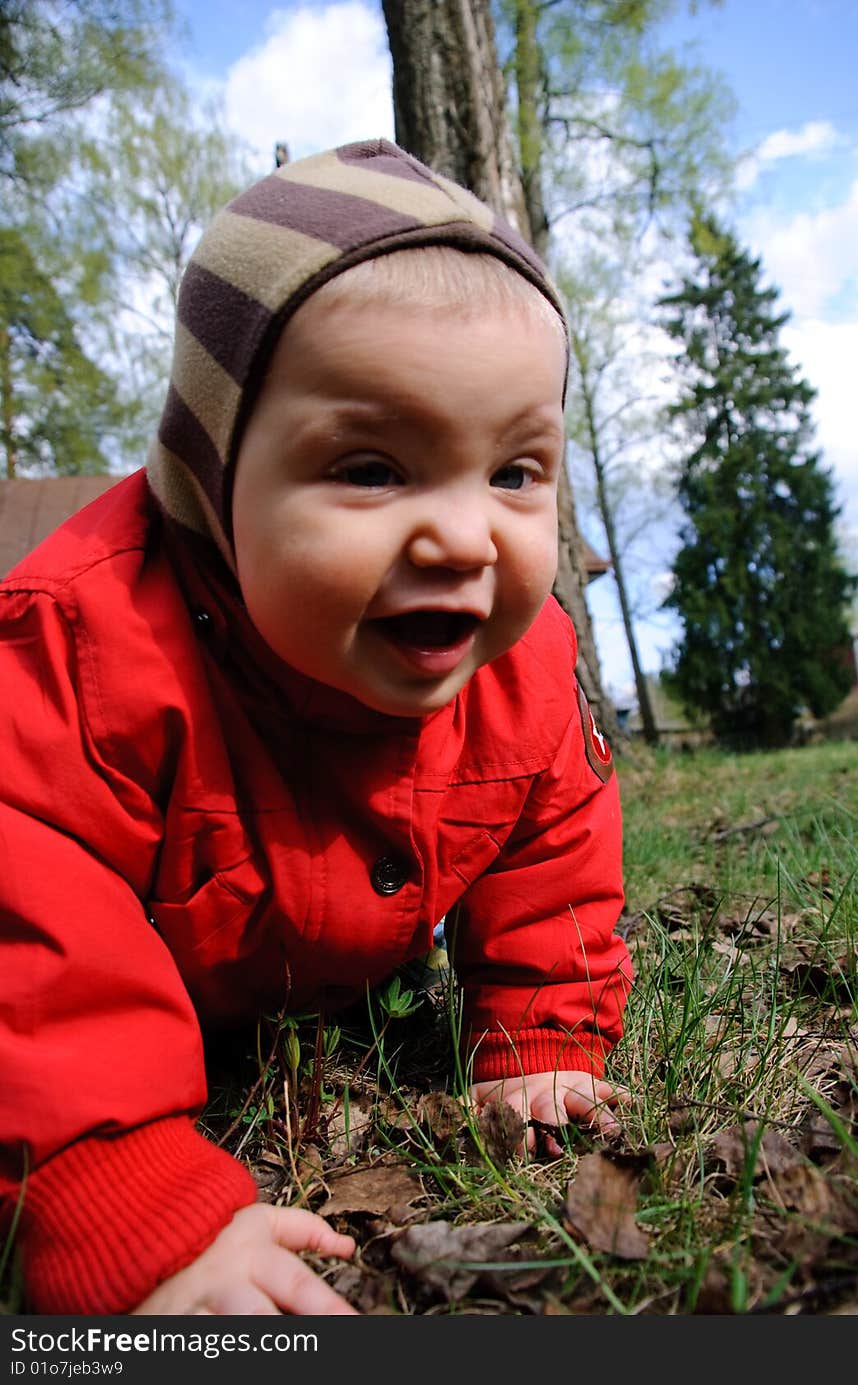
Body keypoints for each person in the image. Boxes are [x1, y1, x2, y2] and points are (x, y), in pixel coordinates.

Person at [0, 138, 632, 1317]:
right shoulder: (78, 653)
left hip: (329, 976)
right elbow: (25, 930)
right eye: (371, 467)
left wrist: (540, 1031)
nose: (462, 539)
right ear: (209, 476)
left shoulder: (525, 665)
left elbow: (553, 850)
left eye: (514, 471)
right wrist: (113, 1189)